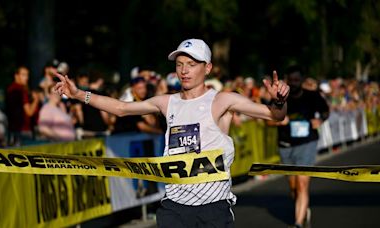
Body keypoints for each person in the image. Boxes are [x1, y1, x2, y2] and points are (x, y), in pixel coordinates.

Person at [54, 38, 290, 227]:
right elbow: (121, 108)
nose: (184, 71)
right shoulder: (167, 102)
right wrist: (78, 95)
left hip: (213, 206)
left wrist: (279, 101)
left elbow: (275, 115)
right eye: (179, 64)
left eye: (192, 64)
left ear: (207, 68)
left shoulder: (221, 100)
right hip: (174, 206)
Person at [275, 65, 329, 228]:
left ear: (302, 80)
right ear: (287, 80)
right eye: (292, 80)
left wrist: (319, 120)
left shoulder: (312, 96)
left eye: (298, 80)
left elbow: (325, 111)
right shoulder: (280, 98)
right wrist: (278, 120)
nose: (295, 83)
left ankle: (298, 223)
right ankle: (303, 208)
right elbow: (267, 119)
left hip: (307, 143)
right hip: (286, 145)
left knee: (302, 184)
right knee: (293, 187)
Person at [6, 66, 41, 146]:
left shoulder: (9, 89)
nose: (26, 78)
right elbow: (29, 112)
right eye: (23, 75)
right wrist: (36, 99)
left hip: (12, 130)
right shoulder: (20, 90)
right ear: (16, 75)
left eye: (27, 75)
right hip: (23, 131)